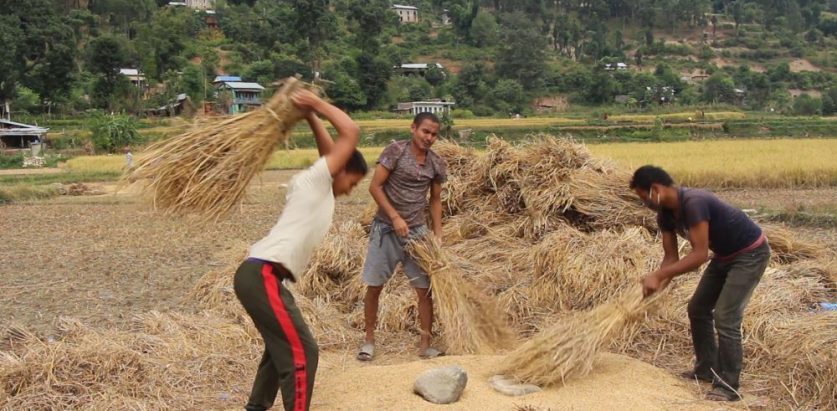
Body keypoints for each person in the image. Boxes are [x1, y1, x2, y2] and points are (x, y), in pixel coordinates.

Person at [234, 89, 366, 411]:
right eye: (354, 181)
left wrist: (309, 117)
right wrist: (317, 104)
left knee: (277, 349)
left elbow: (330, 150)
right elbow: (351, 132)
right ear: (342, 170)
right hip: (262, 274)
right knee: (303, 353)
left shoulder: (320, 187)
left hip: (260, 276)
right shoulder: (317, 181)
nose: (351, 190)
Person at [630, 165, 770, 402]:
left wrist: (658, 275)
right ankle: (706, 368)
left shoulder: (694, 203)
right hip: (724, 256)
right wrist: (658, 285)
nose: (645, 203)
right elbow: (671, 258)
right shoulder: (665, 214)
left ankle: (728, 385)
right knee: (698, 309)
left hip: (749, 254)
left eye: (644, 197)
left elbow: (699, 255)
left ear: (655, 189)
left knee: (726, 316)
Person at [357, 112, 447, 362]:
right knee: (375, 285)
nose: (429, 137)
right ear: (413, 128)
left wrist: (437, 232)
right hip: (386, 228)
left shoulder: (436, 163)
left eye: (434, 134)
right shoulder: (394, 152)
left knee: (424, 290)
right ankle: (369, 340)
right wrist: (395, 217)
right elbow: (374, 187)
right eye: (425, 131)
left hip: (417, 233)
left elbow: (435, 199)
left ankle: (425, 343)